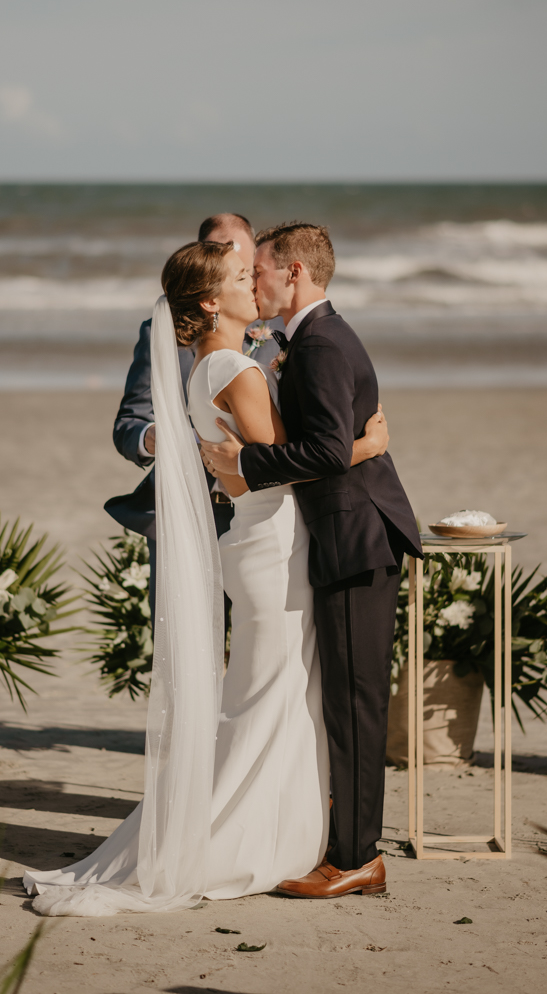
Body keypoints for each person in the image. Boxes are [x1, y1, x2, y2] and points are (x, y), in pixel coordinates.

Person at [23, 240, 388, 914]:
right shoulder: (234, 370)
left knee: (265, 696)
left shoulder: (205, 366)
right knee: (269, 700)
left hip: (256, 539)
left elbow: (238, 462)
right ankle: (238, 843)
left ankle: (271, 832)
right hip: (274, 542)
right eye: (243, 278)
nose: (256, 285)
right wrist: (366, 444)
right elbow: (284, 459)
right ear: (212, 300)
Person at [200, 223, 423, 899]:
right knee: (346, 701)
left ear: (294, 273)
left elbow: (327, 452)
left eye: (260, 271)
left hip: (357, 539)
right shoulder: (308, 342)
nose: (255, 281)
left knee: (355, 704)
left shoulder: (323, 343)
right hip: (344, 536)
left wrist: (246, 464)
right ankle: (345, 843)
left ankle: (357, 857)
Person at [105, 213, 288, 630]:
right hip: (184, 513)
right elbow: (130, 422)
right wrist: (165, 438)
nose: (244, 279)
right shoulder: (162, 333)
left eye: (245, 267)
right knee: (187, 646)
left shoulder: (277, 329)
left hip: (255, 514)